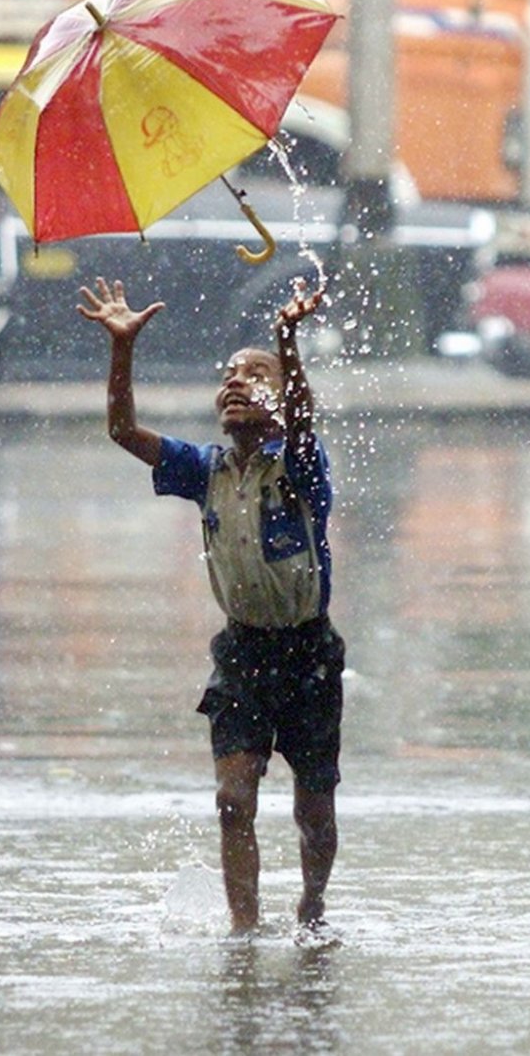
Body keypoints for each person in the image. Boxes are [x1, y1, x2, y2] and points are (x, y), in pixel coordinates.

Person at [77, 276, 345, 937]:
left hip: (309, 652)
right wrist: (122, 348)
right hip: (243, 650)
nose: (233, 382)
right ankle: (244, 933)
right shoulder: (206, 470)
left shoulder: (302, 467)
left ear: (280, 403)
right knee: (233, 799)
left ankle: (311, 904)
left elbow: (306, 418)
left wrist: (288, 340)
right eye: (227, 375)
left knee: (313, 810)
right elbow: (121, 431)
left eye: (253, 375)